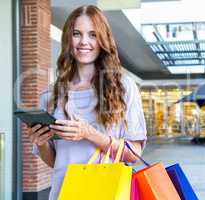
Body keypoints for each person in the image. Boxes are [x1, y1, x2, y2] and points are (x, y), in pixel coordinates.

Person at [25, 5, 147, 200]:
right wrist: (41, 144)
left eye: (92, 34)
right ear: (68, 39)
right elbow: (56, 161)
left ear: (103, 40)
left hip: (109, 193)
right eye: (76, 34)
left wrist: (89, 134)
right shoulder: (49, 95)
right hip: (64, 193)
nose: (84, 42)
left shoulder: (124, 87)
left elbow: (134, 154)